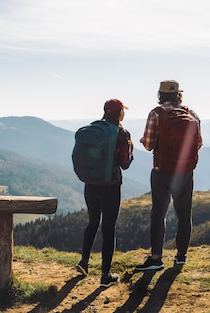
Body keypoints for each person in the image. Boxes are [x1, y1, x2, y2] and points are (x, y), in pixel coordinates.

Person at [135, 80, 202, 271]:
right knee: (184, 214)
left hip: (162, 172)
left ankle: (156, 258)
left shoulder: (156, 113)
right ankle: (181, 256)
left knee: (158, 214)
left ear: (160, 94)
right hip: (185, 173)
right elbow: (198, 143)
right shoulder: (192, 114)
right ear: (178, 94)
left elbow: (148, 145)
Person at [76, 98, 134, 287]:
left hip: (90, 184)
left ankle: (84, 262)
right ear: (119, 113)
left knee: (93, 222)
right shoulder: (122, 133)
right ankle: (105, 275)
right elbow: (124, 164)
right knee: (108, 228)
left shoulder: (94, 129)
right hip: (110, 186)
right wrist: (131, 154)